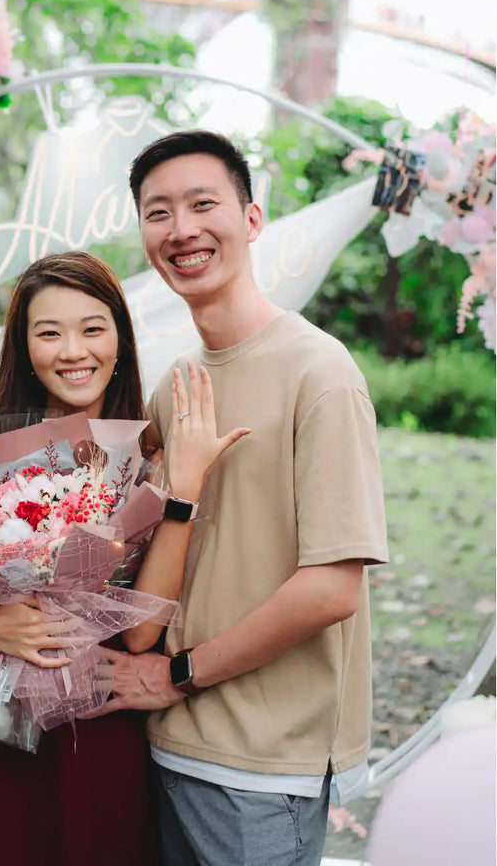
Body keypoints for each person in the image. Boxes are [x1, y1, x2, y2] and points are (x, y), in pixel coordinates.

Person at [94, 131, 389, 866]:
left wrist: (177, 673)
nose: (182, 229)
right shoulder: (179, 382)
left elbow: (330, 589)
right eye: (158, 212)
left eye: (203, 204)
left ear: (251, 220)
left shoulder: (318, 370)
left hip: (260, 768)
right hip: (163, 748)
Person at [0, 251, 247, 866]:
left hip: (100, 737)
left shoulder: (150, 455)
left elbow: (145, 631)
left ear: (119, 336)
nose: (73, 351)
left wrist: (184, 491)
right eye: (49, 332)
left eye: (93, 328)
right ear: (23, 346)